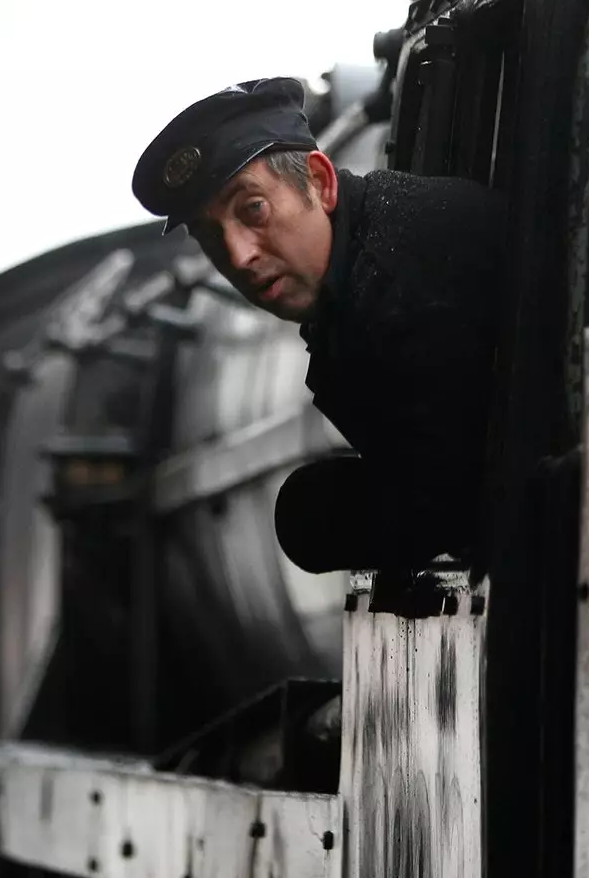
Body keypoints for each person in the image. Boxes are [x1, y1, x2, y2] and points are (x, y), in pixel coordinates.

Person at [132, 77, 507, 573]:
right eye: (210, 236)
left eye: (254, 210)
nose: (239, 256)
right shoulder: (359, 277)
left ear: (321, 182)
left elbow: (457, 506)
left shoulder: (400, 281)